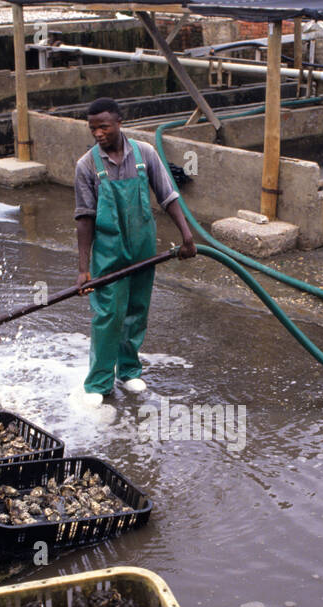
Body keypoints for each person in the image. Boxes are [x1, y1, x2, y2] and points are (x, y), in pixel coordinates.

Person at [75, 98, 196, 406]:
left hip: (143, 249)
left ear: (119, 122)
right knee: (109, 315)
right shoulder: (87, 165)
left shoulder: (145, 154)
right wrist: (83, 268)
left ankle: (128, 371)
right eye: (93, 128)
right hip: (109, 254)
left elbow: (168, 196)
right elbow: (85, 218)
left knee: (136, 312)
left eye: (103, 126)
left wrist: (186, 235)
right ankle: (98, 383)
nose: (98, 133)